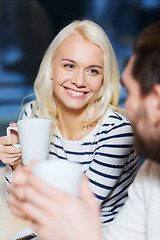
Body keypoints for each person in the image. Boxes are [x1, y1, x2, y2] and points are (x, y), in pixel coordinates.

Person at [7, 20, 160, 240]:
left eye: (93, 71)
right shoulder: (152, 172)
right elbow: (25, 202)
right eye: (69, 65)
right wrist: (16, 164)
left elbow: (65, 214)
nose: (79, 81)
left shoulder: (118, 131)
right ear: (51, 68)